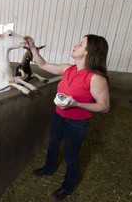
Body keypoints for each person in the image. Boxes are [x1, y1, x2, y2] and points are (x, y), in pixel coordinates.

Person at [25, 34, 110, 200]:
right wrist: (33, 48)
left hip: (77, 123)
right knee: (53, 144)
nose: (75, 45)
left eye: (80, 44)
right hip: (59, 116)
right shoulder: (68, 69)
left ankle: (68, 187)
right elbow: (42, 64)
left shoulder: (96, 78)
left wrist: (77, 104)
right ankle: (49, 168)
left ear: (89, 51)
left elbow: (104, 107)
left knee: (71, 155)